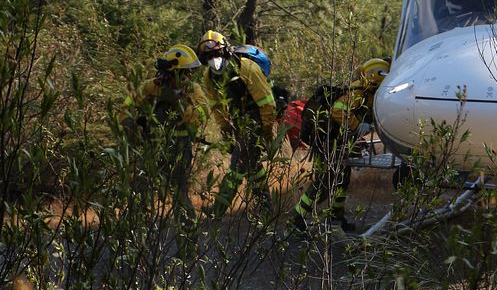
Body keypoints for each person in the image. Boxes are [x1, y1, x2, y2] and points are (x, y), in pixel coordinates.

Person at [292, 58, 390, 234]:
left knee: (342, 180)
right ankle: (297, 219)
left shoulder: (366, 92)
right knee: (325, 182)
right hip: (328, 142)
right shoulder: (358, 92)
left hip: (338, 142)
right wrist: (357, 126)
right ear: (376, 79)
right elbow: (337, 111)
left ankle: (337, 217)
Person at [123, 44, 209, 240]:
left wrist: (179, 103)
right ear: (172, 72)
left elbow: (201, 114)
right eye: (185, 73)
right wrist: (135, 124)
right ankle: (136, 240)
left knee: (179, 195)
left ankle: (188, 243)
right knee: (140, 193)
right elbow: (125, 110)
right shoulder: (150, 87)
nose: (188, 78)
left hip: (179, 150)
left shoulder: (193, 90)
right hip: (149, 149)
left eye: (190, 73)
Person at [197, 30, 282, 217]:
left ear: (225, 50)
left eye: (216, 53)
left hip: (256, 118)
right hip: (237, 119)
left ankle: (218, 210)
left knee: (238, 163)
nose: (213, 59)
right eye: (208, 56)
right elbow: (217, 106)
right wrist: (226, 130)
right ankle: (266, 207)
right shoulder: (209, 77)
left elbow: (267, 103)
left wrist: (267, 132)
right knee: (251, 164)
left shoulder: (246, 67)